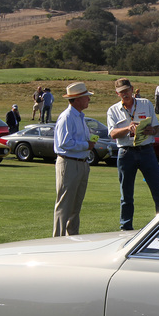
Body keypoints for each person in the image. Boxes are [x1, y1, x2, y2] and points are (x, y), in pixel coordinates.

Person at [108, 78, 159, 230]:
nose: (125, 94)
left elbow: (156, 127)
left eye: (127, 90)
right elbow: (113, 133)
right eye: (121, 92)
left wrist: (150, 130)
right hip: (126, 153)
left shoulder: (145, 104)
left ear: (132, 89)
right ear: (117, 94)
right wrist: (128, 129)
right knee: (126, 195)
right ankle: (125, 227)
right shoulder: (113, 110)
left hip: (146, 150)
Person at [52, 82, 96, 237]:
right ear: (77, 99)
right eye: (86, 97)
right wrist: (86, 145)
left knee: (75, 207)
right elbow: (65, 143)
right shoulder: (67, 117)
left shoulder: (80, 117)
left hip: (81, 163)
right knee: (64, 206)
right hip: (69, 163)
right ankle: (57, 241)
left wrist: (88, 142)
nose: (88, 100)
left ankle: (72, 239)